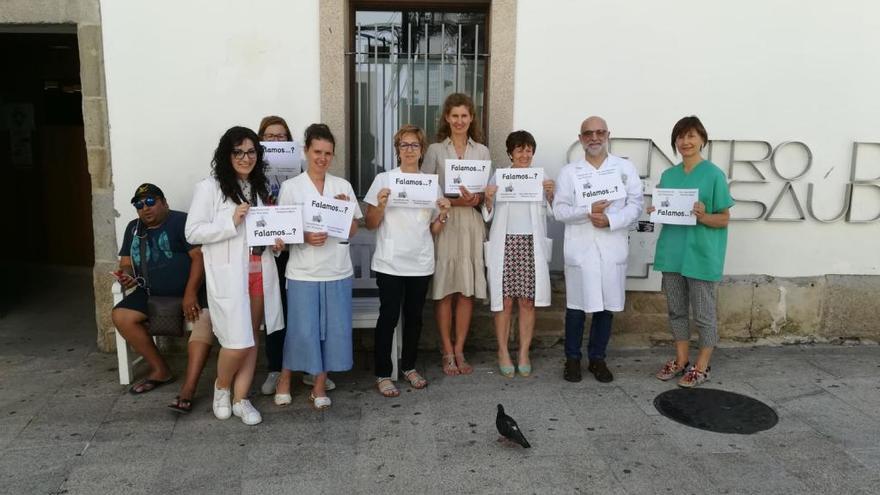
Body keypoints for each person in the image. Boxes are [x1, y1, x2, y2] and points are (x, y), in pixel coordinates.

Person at [186, 127, 285, 426]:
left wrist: (276, 243)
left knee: (252, 337)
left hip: (258, 270)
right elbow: (192, 232)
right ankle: (222, 386)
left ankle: (242, 399)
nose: (245, 158)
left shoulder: (258, 186)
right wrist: (229, 221)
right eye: (238, 152)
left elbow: (263, 231)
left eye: (251, 152)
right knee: (236, 341)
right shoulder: (210, 187)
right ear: (226, 155)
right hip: (230, 276)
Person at [274, 124, 362, 409]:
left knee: (332, 331)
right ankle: (285, 379)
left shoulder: (342, 187)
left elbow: (352, 231)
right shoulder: (291, 187)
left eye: (327, 153)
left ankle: (320, 385)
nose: (322, 158)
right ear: (306, 151)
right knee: (301, 329)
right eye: (317, 152)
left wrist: (345, 210)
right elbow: (283, 234)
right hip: (302, 272)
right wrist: (304, 236)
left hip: (336, 269)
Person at [553, 116, 643, 383]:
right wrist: (587, 211)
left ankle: (597, 359)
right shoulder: (569, 172)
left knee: (605, 308)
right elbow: (559, 211)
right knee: (576, 308)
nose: (594, 137)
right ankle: (572, 359)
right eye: (588, 133)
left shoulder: (624, 168)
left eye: (599, 132)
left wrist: (611, 220)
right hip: (581, 250)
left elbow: (636, 205)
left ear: (607, 135)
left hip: (611, 247)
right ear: (580, 139)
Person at [363, 125, 451, 397]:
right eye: (404, 145)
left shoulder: (430, 183)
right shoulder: (384, 180)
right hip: (390, 262)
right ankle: (382, 373)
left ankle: (409, 367)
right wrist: (379, 205)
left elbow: (433, 229)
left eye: (414, 145)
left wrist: (443, 215)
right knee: (388, 317)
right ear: (397, 150)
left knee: (414, 318)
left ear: (422, 150)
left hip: (420, 261)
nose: (409, 150)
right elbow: (370, 223)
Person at [112, 183, 214, 413]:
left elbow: (199, 258)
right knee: (121, 315)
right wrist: (126, 277)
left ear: (164, 203)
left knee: (203, 323)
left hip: (193, 291)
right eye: (139, 205)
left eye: (150, 202)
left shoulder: (181, 222)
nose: (145, 209)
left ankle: (188, 389)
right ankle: (160, 370)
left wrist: (190, 294)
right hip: (150, 292)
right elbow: (126, 263)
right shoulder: (133, 228)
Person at [255, 116, 336, 397]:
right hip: (271, 247)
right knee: (277, 312)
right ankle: (277, 369)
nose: (275, 141)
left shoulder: (303, 170)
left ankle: (311, 369)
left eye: (281, 136)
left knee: (297, 314)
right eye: (269, 136)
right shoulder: (252, 169)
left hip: (296, 252)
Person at [651, 116, 734, 388]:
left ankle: (702, 366)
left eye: (691, 136)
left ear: (702, 139)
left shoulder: (713, 175)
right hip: (672, 254)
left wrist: (702, 216)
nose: (685, 142)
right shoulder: (669, 175)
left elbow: (723, 218)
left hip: (700, 254)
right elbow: (666, 211)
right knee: (676, 310)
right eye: (680, 137)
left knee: (703, 313)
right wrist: (656, 210)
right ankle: (682, 359)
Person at [421, 93, 490, 376]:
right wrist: (458, 201)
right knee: (445, 290)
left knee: (465, 290)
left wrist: (479, 199)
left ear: (471, 118)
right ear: (447, 118)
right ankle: (446, 350)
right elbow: (425, 189)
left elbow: (486, 192)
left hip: (471, 225)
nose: (460, 121)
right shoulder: (436, 150)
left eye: (465, 115)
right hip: (446, 222)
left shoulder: (482, 151)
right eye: (455, 116)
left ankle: (460, 348)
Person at [482, 131, 555, 377]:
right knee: (505, 300)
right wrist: (489, 199)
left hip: (531, 244)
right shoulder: (500, 176)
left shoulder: (541, 177)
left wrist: (551, 194)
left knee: (527, 301)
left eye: (528, 150)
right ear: (510, 152)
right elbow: (488, 213)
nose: (524, 154)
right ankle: (502, 351)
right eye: (519, 150)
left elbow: (555, 212)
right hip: (505, 243)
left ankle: (523, 352)